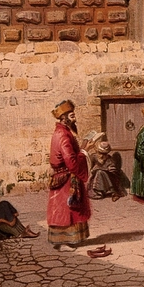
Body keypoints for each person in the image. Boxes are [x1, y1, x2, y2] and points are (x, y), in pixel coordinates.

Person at [47, 100, 92, 251]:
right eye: (70, 115)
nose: (74, 117)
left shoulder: (63, 132)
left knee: (67, 209)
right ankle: (65, 242)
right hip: (65, 178)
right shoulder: (62, 135)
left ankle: (69, 240)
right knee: (66, 210)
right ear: (63, 118)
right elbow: (71, 161)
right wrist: (85, 151)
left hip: (64, 176)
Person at [87, 137, 128, 201]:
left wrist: (110, 170)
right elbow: (91, 168)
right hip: (95, 179)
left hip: (108, 179)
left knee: (101, 172)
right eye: (100, 153)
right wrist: (94, 169)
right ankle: (98, 191)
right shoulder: (94, 157)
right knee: (99, 173)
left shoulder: (109, 160)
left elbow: (114, 172)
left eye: (104, 154)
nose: (102, 156)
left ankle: (111, 191)